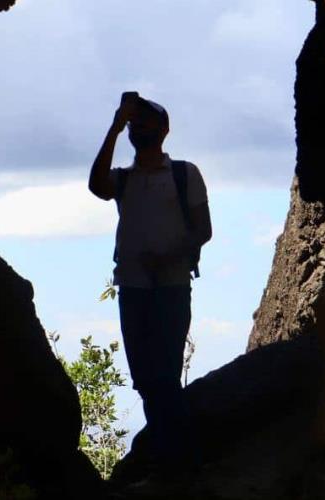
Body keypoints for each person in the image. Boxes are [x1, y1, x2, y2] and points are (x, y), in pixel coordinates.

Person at [88, 92, 212, 473]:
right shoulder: (124, 180)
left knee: (163, 374)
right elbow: (96, 185)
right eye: (134, 124)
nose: (138, 128)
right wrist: (114, 125)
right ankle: (170, 460)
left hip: (171, 286)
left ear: (164, 130)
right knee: (145, 378)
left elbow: (203, 230)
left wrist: (169, 256)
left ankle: (178, 463)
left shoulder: (183, 174)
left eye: (145, 123)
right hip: (133, 288)